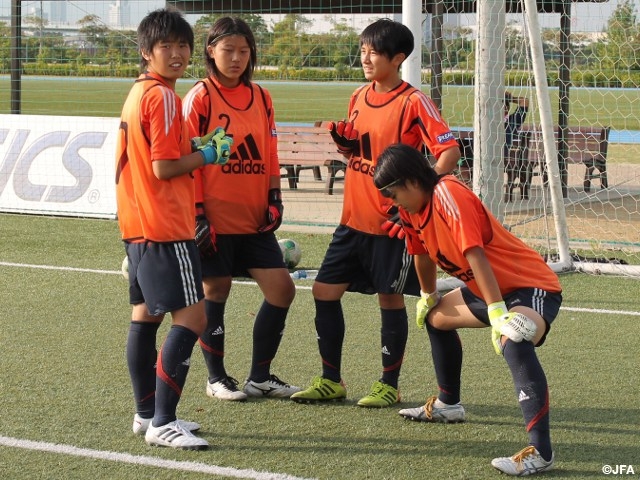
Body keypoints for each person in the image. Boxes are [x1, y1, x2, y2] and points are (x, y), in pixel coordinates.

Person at [290, 19, 460, 408]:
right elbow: (359, 152)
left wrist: (418, 196)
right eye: (363, 51)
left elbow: (449, 152)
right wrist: (345, 144)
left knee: (390, 298)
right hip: (352, 221)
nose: (365, 59)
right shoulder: (358, 95)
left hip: (392, 225)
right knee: (323, 292)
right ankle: (330, 380)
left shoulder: (413, 102)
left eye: (375, 53)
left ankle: (388, 385)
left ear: (397, 58)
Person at [373, 143, 562, 476]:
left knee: (514, 339)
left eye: (393, 192)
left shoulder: (447, 193)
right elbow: (421, 254)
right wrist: (428, 295)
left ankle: (541, 452)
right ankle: (448, 404)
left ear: (412, 181)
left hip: (529, 286)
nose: (392, 200)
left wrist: (497, 312)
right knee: (436, 317)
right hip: (487, 290)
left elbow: (476, 254)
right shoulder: (411, 210)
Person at [115, 8, 232, 450]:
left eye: (183, 45)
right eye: (166, 46)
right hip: (165, 225)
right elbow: (163, 168)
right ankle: (163, 422)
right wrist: (207, 156)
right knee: (194, 318)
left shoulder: (138, 92)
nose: (177, 53)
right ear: (147, 52)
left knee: (145, 316)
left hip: (138, 224)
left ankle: (146, 413)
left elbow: (151, 154)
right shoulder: (163, 97)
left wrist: (196, 145)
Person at [183, 17, 301, 402]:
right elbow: (187, 159)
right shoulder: (201, 96)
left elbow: (269, 152)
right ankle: (216, 378)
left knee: (282, 290)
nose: (236, 58)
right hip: (214, 219)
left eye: (244, 51)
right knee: (216, 289)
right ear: (210, 51)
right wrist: (197, 214)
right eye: (228, 50)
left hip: (253, 220)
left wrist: (275, 196)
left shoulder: (262, 97)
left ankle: (260, 378)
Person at [457, 91, 529, 186]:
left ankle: (466, 180)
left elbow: (524, 101)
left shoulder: (513, 120)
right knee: (462, 146)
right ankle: (465, 181)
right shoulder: (486, 120)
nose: (495, 109)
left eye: (498, 106)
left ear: (506, 108)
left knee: (467, 152)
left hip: (497, 154)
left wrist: (509, 97)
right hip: (478, 151)